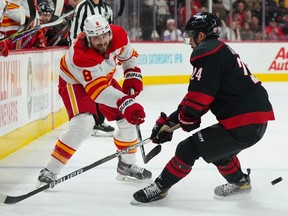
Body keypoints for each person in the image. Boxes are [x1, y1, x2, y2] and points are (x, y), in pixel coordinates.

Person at [132, 12, 275, 203]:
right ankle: (240, 183)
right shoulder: (219, 49)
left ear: (200, 35)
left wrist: (184, 121)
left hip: (243, 121)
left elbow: (199, 100)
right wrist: (172, 121)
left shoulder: (205, 51)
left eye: (191, 36)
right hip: (254, 119)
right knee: (220, 152)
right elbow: (198, 95)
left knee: (187, 148)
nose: (189, 42)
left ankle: (160, 188)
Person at [37, 14, 151, 186]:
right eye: (96, 38)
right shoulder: (81, 54)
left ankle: (126, 165)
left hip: (101, 79)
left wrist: (132, 76)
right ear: (88, 38)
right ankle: (50, 170)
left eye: (104, 35)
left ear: (109, 32)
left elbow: (128, 57)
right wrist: (127, 102)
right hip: (74, 82)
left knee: (128, 119)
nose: (102, 41)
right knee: (83, 123)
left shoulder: (118, 34)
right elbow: (99, 93)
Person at [69, 0, 115, 137]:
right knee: (89, 87)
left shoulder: (107, 8)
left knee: (103, 85)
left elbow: (111, 30)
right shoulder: (83, 6)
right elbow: (75, 31)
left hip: (102, 53)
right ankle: (91, 121)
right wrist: (74, 53)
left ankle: (100, 120)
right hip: (86, 55)